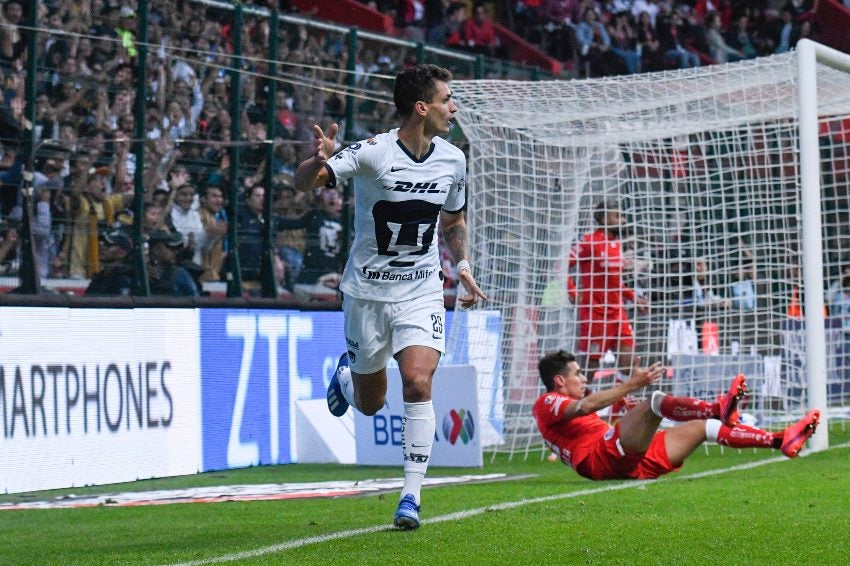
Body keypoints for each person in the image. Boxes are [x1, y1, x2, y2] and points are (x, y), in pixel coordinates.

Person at [293, 64, 487, 530]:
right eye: (446, 100)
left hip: (421, 289)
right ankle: (347, 380)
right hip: (366, 293)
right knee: (371, 403)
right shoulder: (373, 152)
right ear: (421, 107)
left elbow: (453, 221)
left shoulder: (453, 160)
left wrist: (461, 266)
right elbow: (305, 183)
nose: (453, 108)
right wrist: (317, 161)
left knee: (418, 381)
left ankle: (410, 496)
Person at [533, 350, 821, 481]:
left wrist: (633, 416)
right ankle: (718, 408)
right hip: (600, 458)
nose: (584, 378)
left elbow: (583, 425)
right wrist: (632, 384)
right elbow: (584, 408)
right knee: (655, 401)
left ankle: (780, 440)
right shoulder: (547, 402)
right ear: (559, 380)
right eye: (578, 373)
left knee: (703, 427)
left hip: (618, 460)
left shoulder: (560, 412)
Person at [567, 198, 647, 379]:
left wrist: (633, 297)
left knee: (629, 364)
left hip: (618, 312)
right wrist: (573, 291)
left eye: (623, 216)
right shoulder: (589, 242)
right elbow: (561, 264)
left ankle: (620, 398)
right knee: (590, 368)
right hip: (595, 314)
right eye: (617, 216)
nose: (623, 221)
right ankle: (582, 397)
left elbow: (614, 282)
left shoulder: (616, 244)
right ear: (604, 219)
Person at [85, 229, 134, 296]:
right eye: (101, 243)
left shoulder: (123, 279)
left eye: (108, 245)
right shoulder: (100, 277)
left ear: (122, 253)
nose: (102, 247)